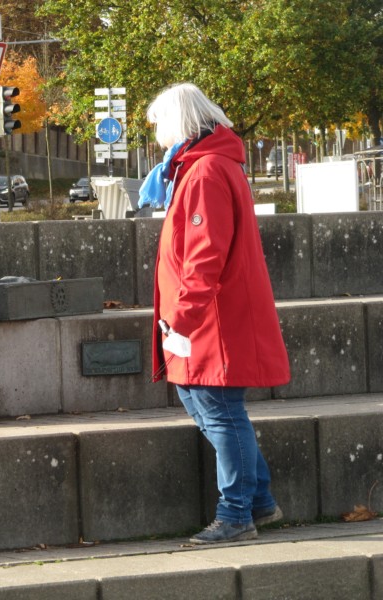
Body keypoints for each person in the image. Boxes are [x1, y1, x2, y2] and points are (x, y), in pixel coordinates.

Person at [142, 83, 291, 544]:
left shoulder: (204, 171)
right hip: (208, 317)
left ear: (180, 121)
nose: (157, 134)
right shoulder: (208, 165)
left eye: (159, 124)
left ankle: (236, 514)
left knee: (221, 413)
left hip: (210, 321)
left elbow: (206, 255)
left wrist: (182, 319)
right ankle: (259, 501)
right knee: (206, 405)